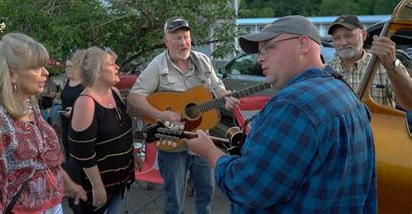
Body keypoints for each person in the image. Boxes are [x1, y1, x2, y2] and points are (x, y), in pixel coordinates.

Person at [186, 15, 377, 212]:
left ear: (303, 44)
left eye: (269, 47)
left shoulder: (294, 105)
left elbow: (246, 187)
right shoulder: (343, 90)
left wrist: (209, 151)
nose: (260, 57)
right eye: (260, 51)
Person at [0, 33, 87, 213]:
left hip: (50, 204)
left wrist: (69, 184)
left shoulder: (28, 103)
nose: (46, 72)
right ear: (12, 74)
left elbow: (42, 160)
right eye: (36, 67)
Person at [128, 16, 238, 214]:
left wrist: (226, 96)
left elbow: (217, 86)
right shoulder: (157, 66)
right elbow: (135, 97)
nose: (183, 42)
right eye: (177, 38)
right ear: (166, 41)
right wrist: (161, 114)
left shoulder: (203, 61)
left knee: (206, 191)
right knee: (173, 198)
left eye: (186, 37)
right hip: (172, 140)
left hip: (201, 138)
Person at [69, 46, 142, 213]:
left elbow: (121, 132)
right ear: (97, 72)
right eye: (111, 64)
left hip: (118, 179)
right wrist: (97, 185)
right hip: (96, 186)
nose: (117, 67)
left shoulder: (114, 92)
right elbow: (82, 151)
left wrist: (132, 153)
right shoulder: (86, 102)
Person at [328, 15, 412, 109]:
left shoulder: (384, 65)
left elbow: (410, 103)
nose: (343, 43)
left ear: (363, 35)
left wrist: (392, 65)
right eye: (337, 38)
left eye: (349, 36)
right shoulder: (326, 70)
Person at [59, 52, 85, 161]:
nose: (67, 69)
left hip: (79, 126)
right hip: (65, 125)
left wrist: (75, 111)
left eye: (70, 66)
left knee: (79, 155)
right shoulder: (67, 81)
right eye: (66, 66)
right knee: (69, 154)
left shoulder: (85, 84)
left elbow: (90, 104)